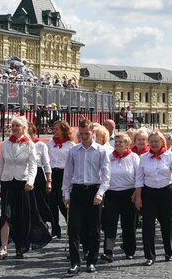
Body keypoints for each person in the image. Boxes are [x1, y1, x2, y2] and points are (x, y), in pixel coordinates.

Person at [0, 116, 50, 260]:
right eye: (13, 125)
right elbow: (0, 165)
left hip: (23, 184)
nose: (15, 128)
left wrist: (30, 181)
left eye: (18, 125)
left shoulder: (29, 144)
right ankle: (3, 247)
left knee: (20, 217)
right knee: (6, 215)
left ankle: (20, 247)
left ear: (23, 128)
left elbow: (33, 166)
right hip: (7, 183)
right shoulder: (5, 144)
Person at [63, 118, 110, 275]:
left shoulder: (101, 151)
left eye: (86, 133)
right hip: (77, 190)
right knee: (74, 229)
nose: (83, 136)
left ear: (93, 132)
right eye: (81, 133)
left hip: (94, 190)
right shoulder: (73, 151)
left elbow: (106, 175)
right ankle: (75, 262)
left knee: (94, 228)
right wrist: (66, 193)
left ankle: (91, 261)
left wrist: (101, 193)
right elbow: (68, 173)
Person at [135, 129, 172, 266]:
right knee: (148, 225)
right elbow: (139, 180)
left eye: (156, 141)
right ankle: (149, 255)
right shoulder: (143, 158)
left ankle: (168, 251)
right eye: (151, 142)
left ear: (162, 142)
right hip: (149, 193)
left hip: (166, 192)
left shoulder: (170, 156)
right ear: (148, 143)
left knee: (167, 223)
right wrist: (138, 197)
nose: (154, 144)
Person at [102, 132, 139, 262]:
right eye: (116, 142)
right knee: (110, 224)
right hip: (112, 193)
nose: (117, 144)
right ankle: (108, 251)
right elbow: (103, 173)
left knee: (128, 224)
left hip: (129, 193)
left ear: (127, 144)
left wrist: (137, 192)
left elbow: (138, 176)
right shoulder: (108, 157)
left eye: (121, 142)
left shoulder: (134, 157)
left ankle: (129, 250)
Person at [47, 121, 72, 238]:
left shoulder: (70, 145)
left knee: (63, 203)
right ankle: (55, 229)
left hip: (64, 174)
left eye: (57, 129)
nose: (55, 131)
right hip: (52, 173)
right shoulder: (50, 143)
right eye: (54, 129)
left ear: (63, 130)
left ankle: (70, 226)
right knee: (52, 203)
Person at [28, 121, 53, 235]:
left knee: (39, 203)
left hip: (38, 175)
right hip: (24, 175)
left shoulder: (41, 145)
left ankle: (42, 226)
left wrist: (49, 181)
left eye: (30, 132)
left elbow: (46, 164)